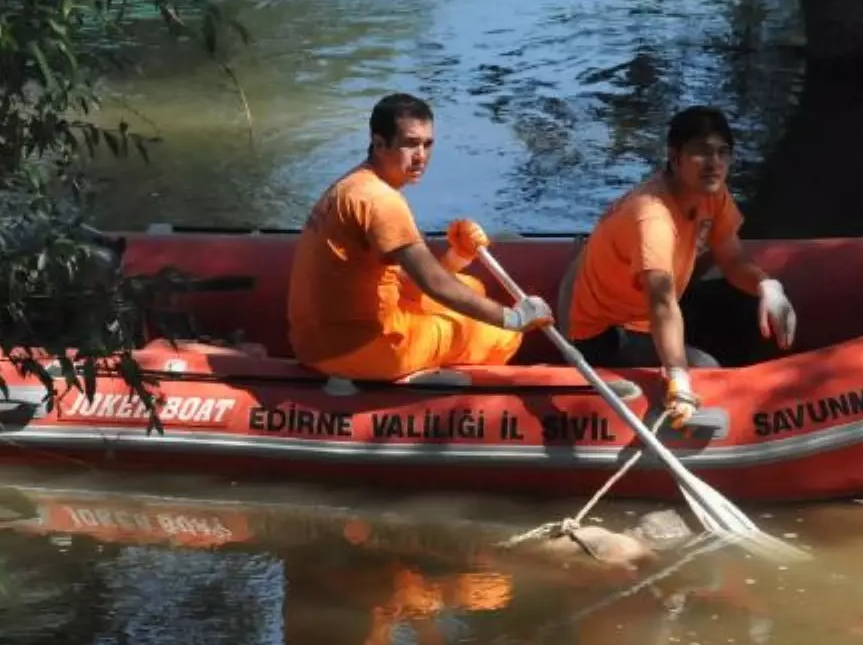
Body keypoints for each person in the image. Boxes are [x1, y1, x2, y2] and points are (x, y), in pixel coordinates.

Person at [287, 92, 553, 381]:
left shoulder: (353, 184)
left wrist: (456, 257)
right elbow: (434, 284)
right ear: (379, 143)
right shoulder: (381, 201)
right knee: (502, 337)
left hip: (319, 342)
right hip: (362, 348)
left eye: (427, 144)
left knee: (472, 286)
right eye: (410, 144)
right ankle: (459, 390)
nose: (421, 157)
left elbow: (405, 278)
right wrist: (513, 319)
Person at [563, 106, 797, 426]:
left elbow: (731, 257)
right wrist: (678, 375)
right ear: (675, 158)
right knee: (705, 367)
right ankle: (733, 409)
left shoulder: (710, 193)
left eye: (722, 152)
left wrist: (767, 285)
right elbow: (661, 301)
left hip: (649, 310)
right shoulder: (652, 217)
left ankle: (764, 389)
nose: (714, 163)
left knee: (746, 305)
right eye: (701, 152)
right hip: (609, 331)